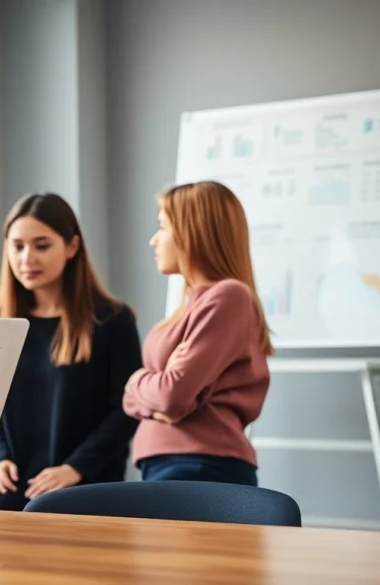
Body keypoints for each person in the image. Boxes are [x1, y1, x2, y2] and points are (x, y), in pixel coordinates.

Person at [0, 192, 143, 512]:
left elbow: (126, 410)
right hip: (14, 481)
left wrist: (75, 468)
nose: (27, 259)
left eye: (41, 246)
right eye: (17, 246)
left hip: (87, 479)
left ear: (71, 247)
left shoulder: (112, 320)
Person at [123, 180, 272, 487]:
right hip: (171, 465)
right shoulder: (190, 306)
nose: (153, 241)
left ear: (193, 232)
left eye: (162, 227)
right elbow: (135, 402)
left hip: (200, 466)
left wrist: (137, 381)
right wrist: (154, 390)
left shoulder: (228, 296)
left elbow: (172, 396)